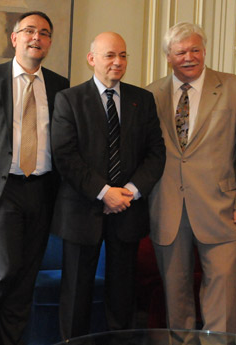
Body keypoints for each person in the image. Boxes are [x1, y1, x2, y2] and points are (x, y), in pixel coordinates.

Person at [51, 32, 166, 340]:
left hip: (127, 212)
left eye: (123, 55)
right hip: (80, 211)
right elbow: (65, 155)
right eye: (110, 55)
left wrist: (128, 192)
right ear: (92, 59)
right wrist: (104, 192)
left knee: (123, 298)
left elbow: (156, 153)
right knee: (75, 297)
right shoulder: (69, 99)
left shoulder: (142, 99)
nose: (118, 62)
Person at [146, 22, 236, 333]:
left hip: (223, 209)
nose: (189, 57)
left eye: (196, 49)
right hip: (167, 208)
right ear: (169, 56)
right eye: (181, 51)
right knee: (176, 302)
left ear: (205, 51)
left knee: (220, 303)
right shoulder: (150, 94)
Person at [0, 11, 69, 345]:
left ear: (49, 42)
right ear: (14, 38)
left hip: (43, 190)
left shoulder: (61, 86)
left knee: (27, 277)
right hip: (3, 190)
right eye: (29, 31)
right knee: (5, 271)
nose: (36, 38)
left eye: (44, 33)